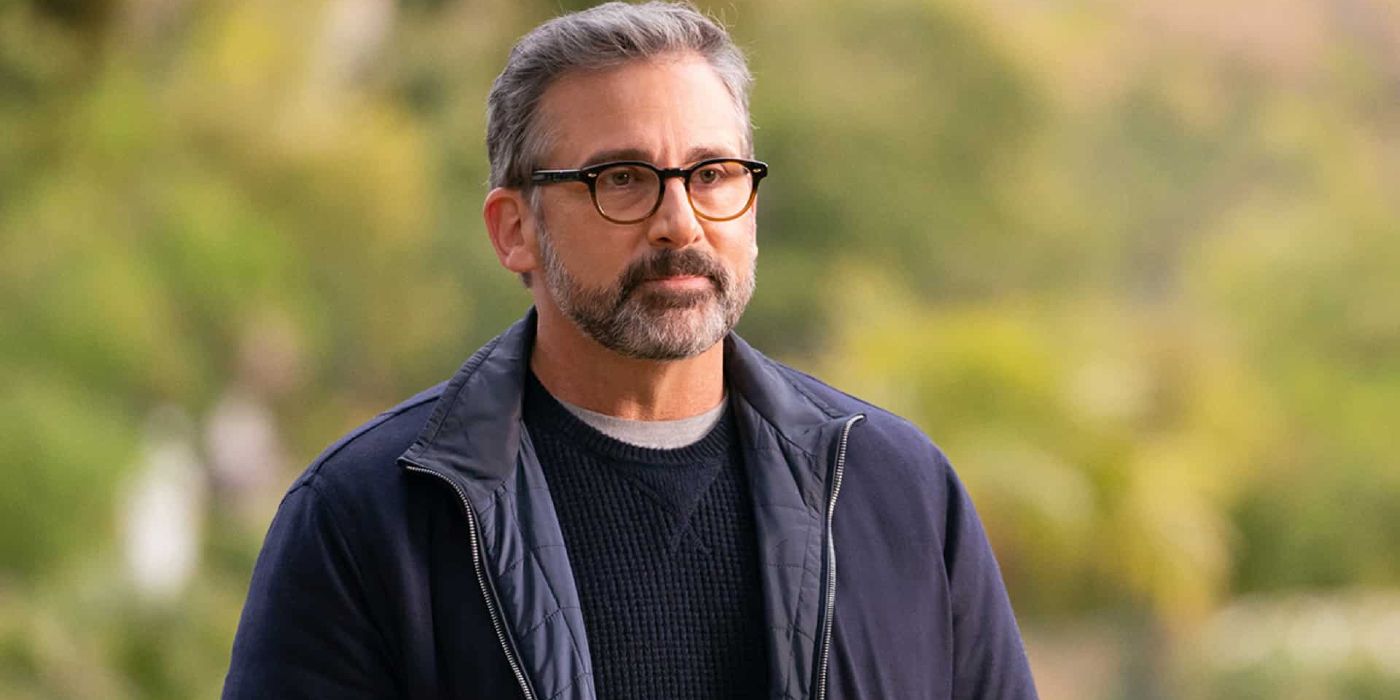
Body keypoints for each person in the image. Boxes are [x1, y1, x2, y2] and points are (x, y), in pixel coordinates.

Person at [223, 2, 1037, 698]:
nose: (679, 222)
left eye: (711, 174)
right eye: (620, 178)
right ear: (514, 230)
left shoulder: (899, 492)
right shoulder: (367, 517)